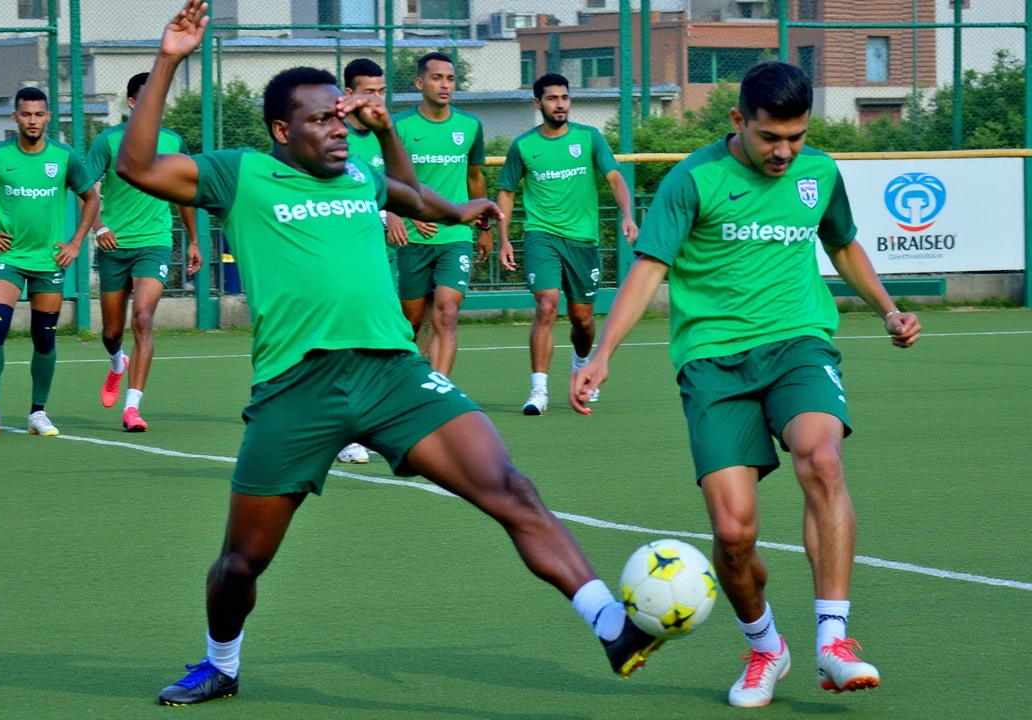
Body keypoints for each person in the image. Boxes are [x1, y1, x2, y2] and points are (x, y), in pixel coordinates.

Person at [117, 2, 661, 705]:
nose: (338, 130)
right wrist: (170, 59)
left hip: (393, 373)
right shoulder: (241, 174)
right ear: (282, 131)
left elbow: (413, 196)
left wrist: (461, 206)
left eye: (340, 117)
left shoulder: (357, 173)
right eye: (321, 120)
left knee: (510, 487)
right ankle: (222, 662)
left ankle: (612, 624)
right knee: (241, 564)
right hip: (296, 388)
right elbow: (136, 164)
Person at [570, 61, 923, 708]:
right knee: (733, 537)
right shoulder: (694, 179)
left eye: (797, 136)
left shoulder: (819, 173)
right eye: (770, 138)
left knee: (822, 457)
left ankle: (834, 642)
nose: (785, 152)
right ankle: (766, 648)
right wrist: (602, 356)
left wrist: (887, 308)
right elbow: (649, 269)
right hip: (712, 362)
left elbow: (842, 245)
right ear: (739, 121)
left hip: (798, 344)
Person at [0, 87, 99, 439]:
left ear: (49, 117)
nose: (32, 120)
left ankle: (37, 413)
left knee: (44, 339)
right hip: (7, 259)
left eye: (39, 114)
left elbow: (92, 198)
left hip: (48, 260)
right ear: (15, 117)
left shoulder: (64, 157)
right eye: (26, 114)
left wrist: (77, 241)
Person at [497, 73, 637, 415]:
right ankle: (539, 391)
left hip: (583, 241)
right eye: (552, 98)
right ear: (537, 103)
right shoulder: (523, 145)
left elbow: (615, 178)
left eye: (564, 97)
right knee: (546, 306)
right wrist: (503, 239)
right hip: (540, 235)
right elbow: (506, 192)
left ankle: (581, 364)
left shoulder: (589, 138)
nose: (560, 104)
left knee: (583, 320)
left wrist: (628, 214)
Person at [86, 72, 202, 432]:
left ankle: (132, 407)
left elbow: (184, 192)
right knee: (110, 330)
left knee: (143, 319)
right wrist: (99, 227)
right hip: (115, 244)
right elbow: (85, 190)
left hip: (154, 242)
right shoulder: (108, 141)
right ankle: (115, 363)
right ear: (133, 103)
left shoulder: (172, 141)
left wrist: (194, 239)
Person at [392, 52, 489, 377]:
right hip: (414, 238)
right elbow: (389, 182)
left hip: (456, 236)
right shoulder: (399, 127)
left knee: (447, 313)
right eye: (437, 78)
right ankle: (409, 386)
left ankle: (440, 392)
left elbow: (475, 178)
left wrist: (484, 228)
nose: (444, 84)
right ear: (420, 83)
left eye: (449, 78)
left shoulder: (470, 126)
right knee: (413, 323)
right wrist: (409, 213)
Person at [337, 57, 394, 464]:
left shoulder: (386, 136)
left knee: (376, 344)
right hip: (334, 261)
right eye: (367, 91)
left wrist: (397, 213)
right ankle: (343, 432)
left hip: (375, 261)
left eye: (381, 91)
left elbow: (399, 189)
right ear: (349, 95)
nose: (376, 99)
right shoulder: (334, 136)